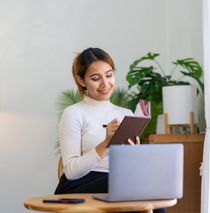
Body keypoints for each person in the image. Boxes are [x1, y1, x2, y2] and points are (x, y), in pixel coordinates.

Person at [54, 48, 166, 213]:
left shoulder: (125, 114)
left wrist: (133, 153)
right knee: (133, 188)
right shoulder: (74, 113)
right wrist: (106, 143)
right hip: (81, 183)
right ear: (81, 80)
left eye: (109, 75)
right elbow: (70, 172)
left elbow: (129, 167)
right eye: (95, 78)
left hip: (121, 181)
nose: (105, 84)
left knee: (154, 192)